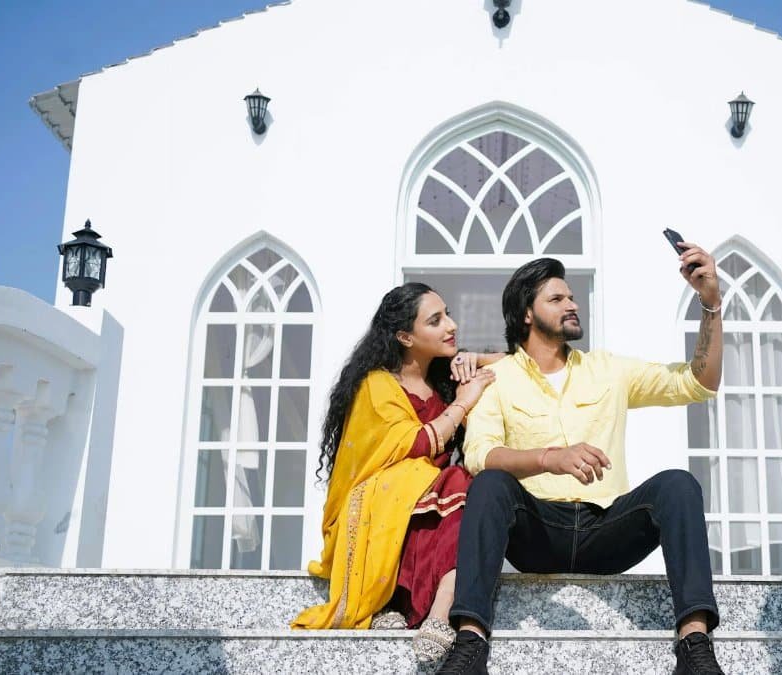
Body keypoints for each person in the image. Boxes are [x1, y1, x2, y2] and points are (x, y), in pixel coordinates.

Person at [435, 244, 727, 675]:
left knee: (679, 485)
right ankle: (471, 646)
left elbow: (697, 382)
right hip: (537, 531)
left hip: (606, 528)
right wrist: (550, 458)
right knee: (490, 484)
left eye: (571, 297)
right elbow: (480, 455)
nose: (572, 304)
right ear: (527, 314)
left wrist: (710, 304)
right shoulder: (497, 379)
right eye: (557, 299)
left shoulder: (608, 368)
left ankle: (695, 647)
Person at [290, 282, 503, 664]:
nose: (451, 325)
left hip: (432, 500)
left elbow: (522, 367)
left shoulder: (444, 379)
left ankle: (441, 607)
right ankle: (396, 599)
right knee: (455, 483)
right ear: (405, 336)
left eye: (448, 314)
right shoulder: (377, 385)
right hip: (382, 504)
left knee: (469, 488)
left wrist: (476, 359)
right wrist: (464, 403)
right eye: (436, 320)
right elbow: (416, 444)